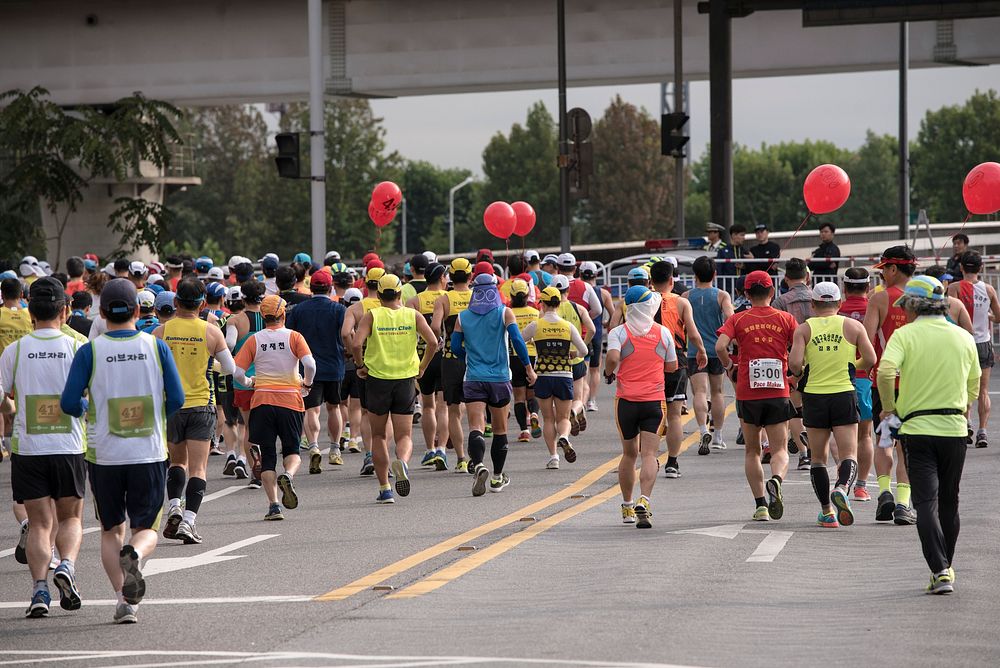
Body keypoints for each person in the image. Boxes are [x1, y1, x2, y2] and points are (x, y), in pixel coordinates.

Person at [60, 278, 184, 624]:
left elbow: (69, 402)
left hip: (105, 455)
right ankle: (137, 554)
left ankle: (124, 601)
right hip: (148, 451)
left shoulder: (90, 350)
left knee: (110, 529)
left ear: (101, 312)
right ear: (137, 309)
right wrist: (155, 417)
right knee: (145, 528)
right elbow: (176, 399)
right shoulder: (156, 347)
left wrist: (91, 407)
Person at [876, 275, 980, 594]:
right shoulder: (963, 337)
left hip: (917, 429)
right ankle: (946, 566)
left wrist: (890, 409)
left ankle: (940, 569)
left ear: (913, 305)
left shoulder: (905, 335)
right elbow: (974, 382)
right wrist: (962, 407)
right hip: (954, 428)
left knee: (925, 502)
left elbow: (884, 371)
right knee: (950, 501)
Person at [0, 277, 87, 618]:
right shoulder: (78, 348)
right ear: (65, 310)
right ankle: (66, 565)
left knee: (39, 525)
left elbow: (2, 398)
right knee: (70, 518)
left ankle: (39, 589)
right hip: (68, 445)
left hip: (29, 447)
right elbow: (89, 398)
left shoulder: (14, 351)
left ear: (29, 311)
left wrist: (12, 408)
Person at [789, 282, 876, 528]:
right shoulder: (853, 326)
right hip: (844, 394)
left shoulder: (804, 329)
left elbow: (794, 364)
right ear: (839, 304)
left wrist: (805, 369)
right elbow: (871, 358)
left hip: (815, 397)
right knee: (849, 453)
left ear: (813, 305)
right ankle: (842, 488)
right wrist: (851, 365)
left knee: (817, 458)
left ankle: (827, 512)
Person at [154, 278, 234, 545]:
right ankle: (188, 521)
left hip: (172, 407)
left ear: (176, 303)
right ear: (202, 304)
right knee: (198, 468)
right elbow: (230, 369)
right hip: (202, 404)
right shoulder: (211, 332)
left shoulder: (160, 332)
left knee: (176, 462)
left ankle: (174, 505)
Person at [716, 271, 798, 522]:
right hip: (778, 390)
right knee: (780, 448)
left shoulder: (738, 319)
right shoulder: (786, 318)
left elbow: (720, 346)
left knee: (752, 450)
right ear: (772, 292)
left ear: (746, 294)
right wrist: (794, 375)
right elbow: (798, 349)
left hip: (748, 392)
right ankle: (777, 479)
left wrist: (729, 365)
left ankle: (761, 505)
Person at [353, 274, 439, 504]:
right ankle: (402, 461)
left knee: (379, 435)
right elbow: (433, 342)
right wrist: (422, 367)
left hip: (377, 380)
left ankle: (385, 488)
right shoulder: (412, 315)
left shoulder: (372, 315)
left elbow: (355, 343)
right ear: (400, 293)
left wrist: (360, 365)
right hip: (405, 380)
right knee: (405, 435)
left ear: (379, 296)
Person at [452, 273, 535, 496]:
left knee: (477, 425)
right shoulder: (504, 313)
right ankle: (497, 477)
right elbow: (517, 340)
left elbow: (455, 347)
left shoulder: (463, 317)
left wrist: (469, 356)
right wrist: (528, 368)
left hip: (473, 378)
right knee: (500, 429)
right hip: (499, 378)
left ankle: (478, 464)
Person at [233, 295, 315, 520]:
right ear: (284, 314)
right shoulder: (295, 337)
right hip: (290, 400)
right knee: (292, 450)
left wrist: (250, 383)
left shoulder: (254, 339)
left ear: (262, 316)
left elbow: (238, 372)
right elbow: (310, 364)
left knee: (268, 455)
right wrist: (306, 384)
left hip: (262, 401)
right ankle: (288, 474)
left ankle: (274, 505)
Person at [605, 286, 677, 528]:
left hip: (626, 401)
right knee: (650, 454)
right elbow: (672, 366)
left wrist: (608, 371)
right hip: (654, 401)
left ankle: (626, 506)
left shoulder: (619, 332)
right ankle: (644, 500)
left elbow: (613, 358)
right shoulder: (663, 333)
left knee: (628, 454)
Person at [863, 245, 918, 525]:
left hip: (883, 382)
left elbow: (868, 336)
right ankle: (903, 504)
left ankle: (884, 492)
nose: (882, 274)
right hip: (916, 384)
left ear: (894, 269)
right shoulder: (923, 299)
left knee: (885, 439)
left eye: (884, 269)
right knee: (906, 445)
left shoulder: (879, 299)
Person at [285, 268, 347, 473]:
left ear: (310, 288)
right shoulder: (338, 309)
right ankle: (335, 449)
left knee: (311, 409)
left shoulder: (298, 310)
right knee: (334, 408)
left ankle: (313, 446)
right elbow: (346, 334)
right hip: (334, 365)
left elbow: (290, 338)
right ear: (330, 288)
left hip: (307, 366)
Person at [649, 261, 707, 478]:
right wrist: (700, 350)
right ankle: (672, 462)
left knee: (652, 413)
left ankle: (650, 457)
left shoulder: (643, 301)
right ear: (672, 280)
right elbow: (692, 332)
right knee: (674, 414)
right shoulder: (681, 302)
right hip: (676, 360)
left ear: (651, 281)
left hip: (649, 361)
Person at [520, 287, 588, 469]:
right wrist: (572, 354)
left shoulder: (537, 325)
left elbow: (518, 340)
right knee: (563, 418)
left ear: (542, 303)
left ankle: (553, 457)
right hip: (564, 375)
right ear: (558, 304)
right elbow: (584, 350)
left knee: (548, 419)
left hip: (543, 375)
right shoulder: (567, 326)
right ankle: (564, 437)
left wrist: (533, 343)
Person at [948, 251, 999, 449]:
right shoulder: (989, 289)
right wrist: (990, 318)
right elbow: (998, 315)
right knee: (983, 390)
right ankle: (982, 431)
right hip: (983, 343)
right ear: (981, 268)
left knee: (962, 386)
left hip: (961, 342)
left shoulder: (954, 288)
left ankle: (966, 423)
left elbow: (950, 315)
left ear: (961, 268)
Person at [685, 256, 733, 454]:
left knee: (699, 392)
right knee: (718, 392)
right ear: (715, 274)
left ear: (694, 275)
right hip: (716, 349)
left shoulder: (686, 296)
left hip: (694, 349)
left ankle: (703, 429)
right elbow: (730, 318)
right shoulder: (722, 296)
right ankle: (718, 436)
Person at [432, 259, 474, 473]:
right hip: (476, 357)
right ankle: (478, 457)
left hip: (451, 358)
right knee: (477, 408)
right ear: (470, 276)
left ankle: (461, 458)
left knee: (453, 410)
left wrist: (440, 341)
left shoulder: (444, 299)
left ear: (449, 276)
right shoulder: (477, 297)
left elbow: (435, 326)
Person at [838, 267, 877, 502]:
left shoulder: (835, 311)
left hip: (837, 380)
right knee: (865, 435)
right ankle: (861, 486)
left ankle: (843, 481)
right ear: (868, 287)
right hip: (867, 378)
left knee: (840, 435)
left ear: (844, 288)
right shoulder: (875, 310)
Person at [771, 257, 812, 468]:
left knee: (796, 408)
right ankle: (816, 448)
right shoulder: (819, 298)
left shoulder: (780, 302)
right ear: (807, 276)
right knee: (813, 406)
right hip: (819, 358)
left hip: (790, 359)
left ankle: (805, 453)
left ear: (786, 278)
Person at [408, 263, 449, 470]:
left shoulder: (414, 301)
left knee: (428, 406)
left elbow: (409, 333)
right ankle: (442, 447)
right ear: (442, 277)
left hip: (423, 357)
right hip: (446, 356)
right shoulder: (448, 298)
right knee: (444, 406)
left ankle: (429, 450)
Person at [226, 280, 267, 484]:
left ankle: (255, 471)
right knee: (268, 425)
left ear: (243, 298)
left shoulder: (235, 321)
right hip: (269, 380)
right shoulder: (271, 318)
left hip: (243, 381)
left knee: (249, 426)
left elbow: (229, 344)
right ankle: (269, 467)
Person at [550, 274, 596, 435]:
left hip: (555, 361)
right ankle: (575, 411)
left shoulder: (548, 310)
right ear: (568, 290)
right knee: (578, 397)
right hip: (575, 358)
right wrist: (582, 343)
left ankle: (563, 425)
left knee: (558, 400)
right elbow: (592, 329)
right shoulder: (578, 308)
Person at [579, 261, 613, 412]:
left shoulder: (579, 290)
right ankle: (592, 401)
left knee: (582, 367)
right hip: (597, 333)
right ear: (596, 275)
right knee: (595, 369)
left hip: (581, 332)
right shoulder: (603, 293)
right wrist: (606, 323)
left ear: (580, 274)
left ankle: (581, 399)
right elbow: (613, 314)